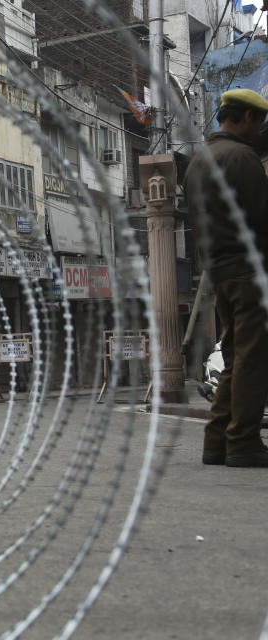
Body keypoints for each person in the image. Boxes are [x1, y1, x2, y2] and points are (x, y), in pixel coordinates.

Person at [184, 88, 268, 468]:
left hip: (218, 272)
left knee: (236, 358)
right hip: (249, 272)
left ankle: (217, 441)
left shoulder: (199, 160)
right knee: (252, 360)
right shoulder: (243, 158)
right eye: (260, 121)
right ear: (247, 118)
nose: (260, 128)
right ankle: (243, 442)